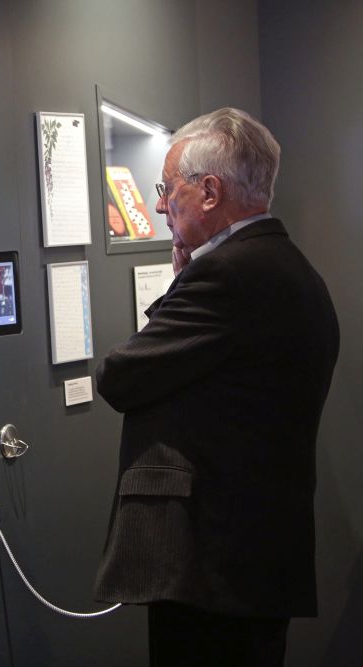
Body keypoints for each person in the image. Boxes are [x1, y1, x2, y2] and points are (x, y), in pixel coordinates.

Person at [93, 107, 340, 666]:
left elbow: (120, 375)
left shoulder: (226, 275)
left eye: (167, 188)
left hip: (211, 564)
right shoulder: (294, 270)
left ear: (209, 191)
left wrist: (179, 283)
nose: (159, 205)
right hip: (254, 559)